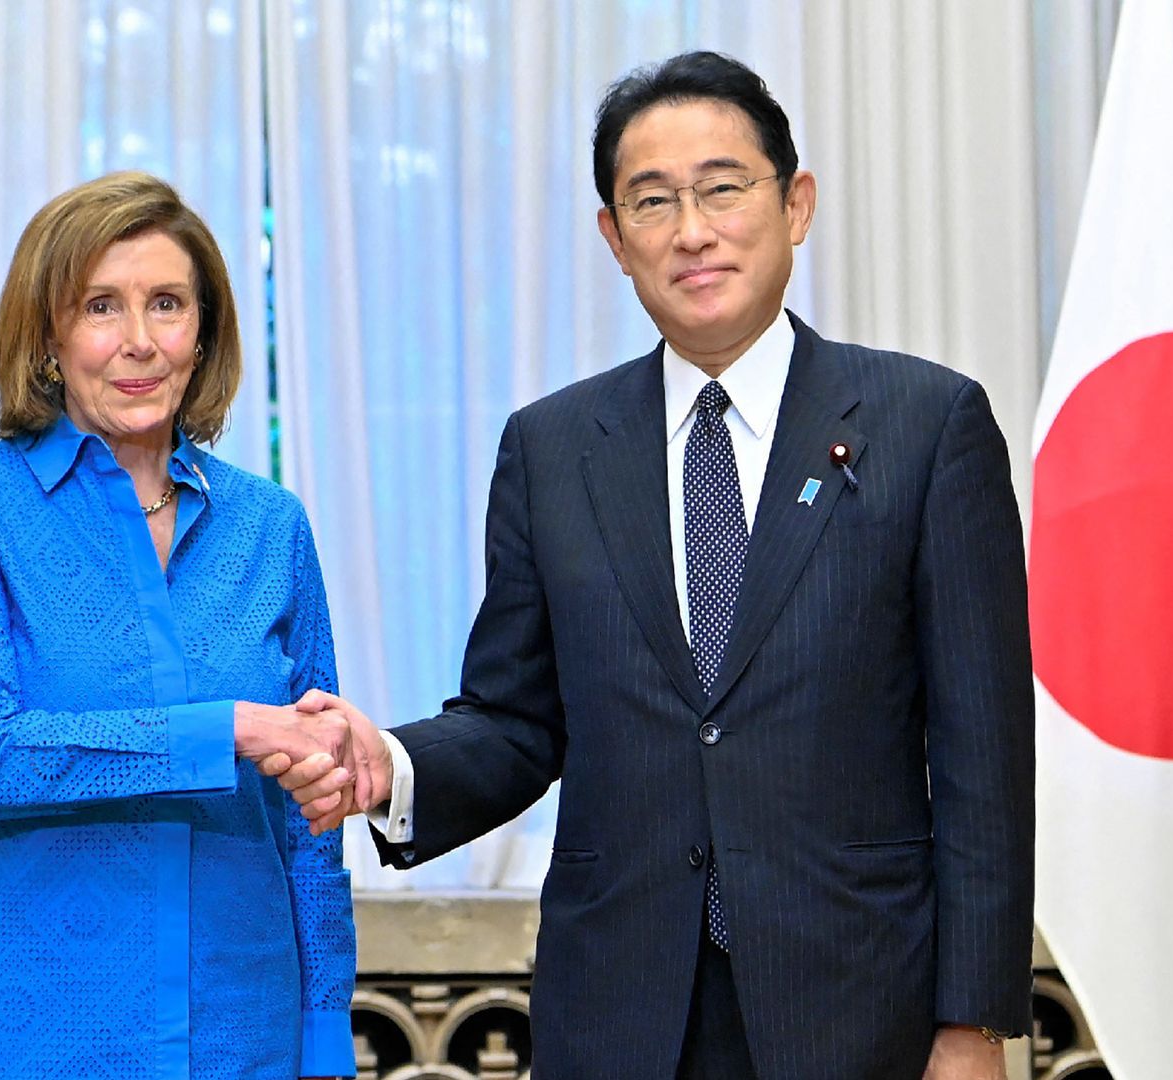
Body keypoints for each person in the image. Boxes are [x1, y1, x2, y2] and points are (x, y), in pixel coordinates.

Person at [278, 52, 1033, 1080]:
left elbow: (983, 757)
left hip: (861, 1011)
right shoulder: (553, 449)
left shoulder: (925, 425)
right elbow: (516, 717)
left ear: (796, 202)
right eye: (653, 201)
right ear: (614, 238)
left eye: (724, 188)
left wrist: (973, 1024)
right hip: (622, 1012)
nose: (692, 230)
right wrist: (391, 765)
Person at [0, 171, 358, 1079]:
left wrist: (323, 1028)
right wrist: (223, 729)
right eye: (102, 306)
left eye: (169, 305)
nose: (140, 342)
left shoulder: (271, 526)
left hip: (242, 1031)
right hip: (21, 1034)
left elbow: (317, 812)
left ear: (205, 333)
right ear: (49, 336)